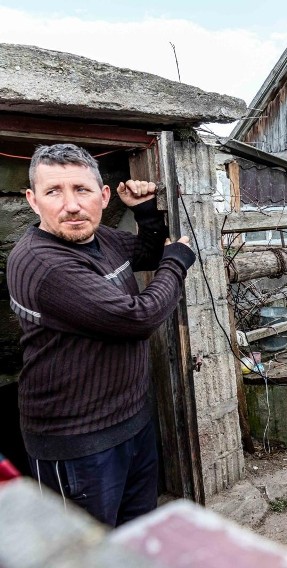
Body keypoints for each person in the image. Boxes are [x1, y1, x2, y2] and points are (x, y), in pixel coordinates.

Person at [7, 143, 196, 526]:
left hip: (130, 423)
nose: (71, 205)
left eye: (82, 189)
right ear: (32, 200)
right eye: (53, 192)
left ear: (104, 195)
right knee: (82, 554)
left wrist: (144, 211)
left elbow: (145, 253)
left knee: (135, 533)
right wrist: (177, 262)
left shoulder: (102, 239)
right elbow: (137, 318)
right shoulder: (43, 263)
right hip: (76, 443)